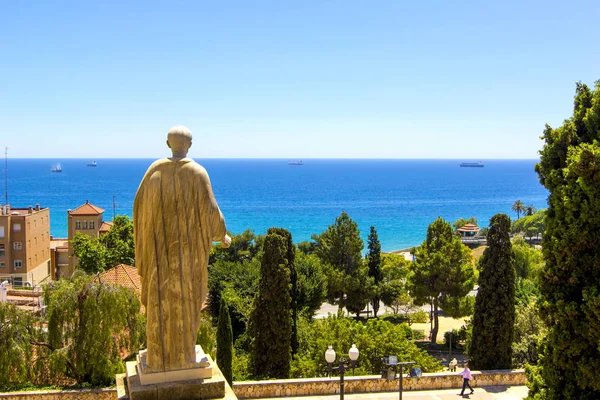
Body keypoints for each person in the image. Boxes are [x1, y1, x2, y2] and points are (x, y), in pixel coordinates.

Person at [134, 125, 231, 372]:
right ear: (189, 144)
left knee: (159, 304)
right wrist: (221, 235)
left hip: (157, 257)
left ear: (168, 144)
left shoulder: (152, 173)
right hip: (186, 259)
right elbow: (210, 213)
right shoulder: (197, 173)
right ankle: (184, 357)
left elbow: (138, 213)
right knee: (186, 305)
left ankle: (157, 357)